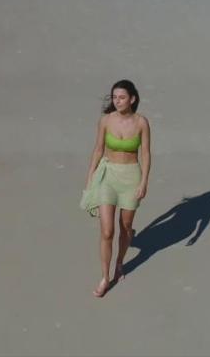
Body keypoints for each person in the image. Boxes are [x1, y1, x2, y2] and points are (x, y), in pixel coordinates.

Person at [84, 79, 152, 297]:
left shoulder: (142, 123)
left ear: (132, 99)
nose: (117, 101)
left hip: (131, 176)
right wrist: (90, 178)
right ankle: (105, 277)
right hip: (108, 176)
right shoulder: (105, 121)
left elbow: (146, 154)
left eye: (122, 97)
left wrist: (144, 182)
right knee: (107, 231)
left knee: (125, 227)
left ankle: (120, 263)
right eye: (114, 97)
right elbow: (97, 149)